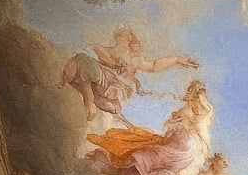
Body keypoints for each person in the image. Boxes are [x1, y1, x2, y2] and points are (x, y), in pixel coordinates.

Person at [86, 79, 213, 175]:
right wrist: (176, 122)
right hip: (176, 143)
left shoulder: (202, 109)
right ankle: (131, 172)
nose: (189, 95)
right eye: (190, 91)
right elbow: (172, 127)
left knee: (150, 156)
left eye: (192, 92)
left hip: (183, 146)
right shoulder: (187, 108)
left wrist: (183, 121)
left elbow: (202, 116)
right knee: (145, 152)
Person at [62, 27, 198, 121]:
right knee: (81, 60)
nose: (127, 40)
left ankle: (92, 99)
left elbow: (154, 65)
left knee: (110, 105)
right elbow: (83, 53)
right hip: (99, 81)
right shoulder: (103, 50)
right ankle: (89, 101)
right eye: (124, 36)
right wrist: (109, 62)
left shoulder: (134, 60)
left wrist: (177, 59)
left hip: (113, 89)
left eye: (128, 38)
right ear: (117, 38)